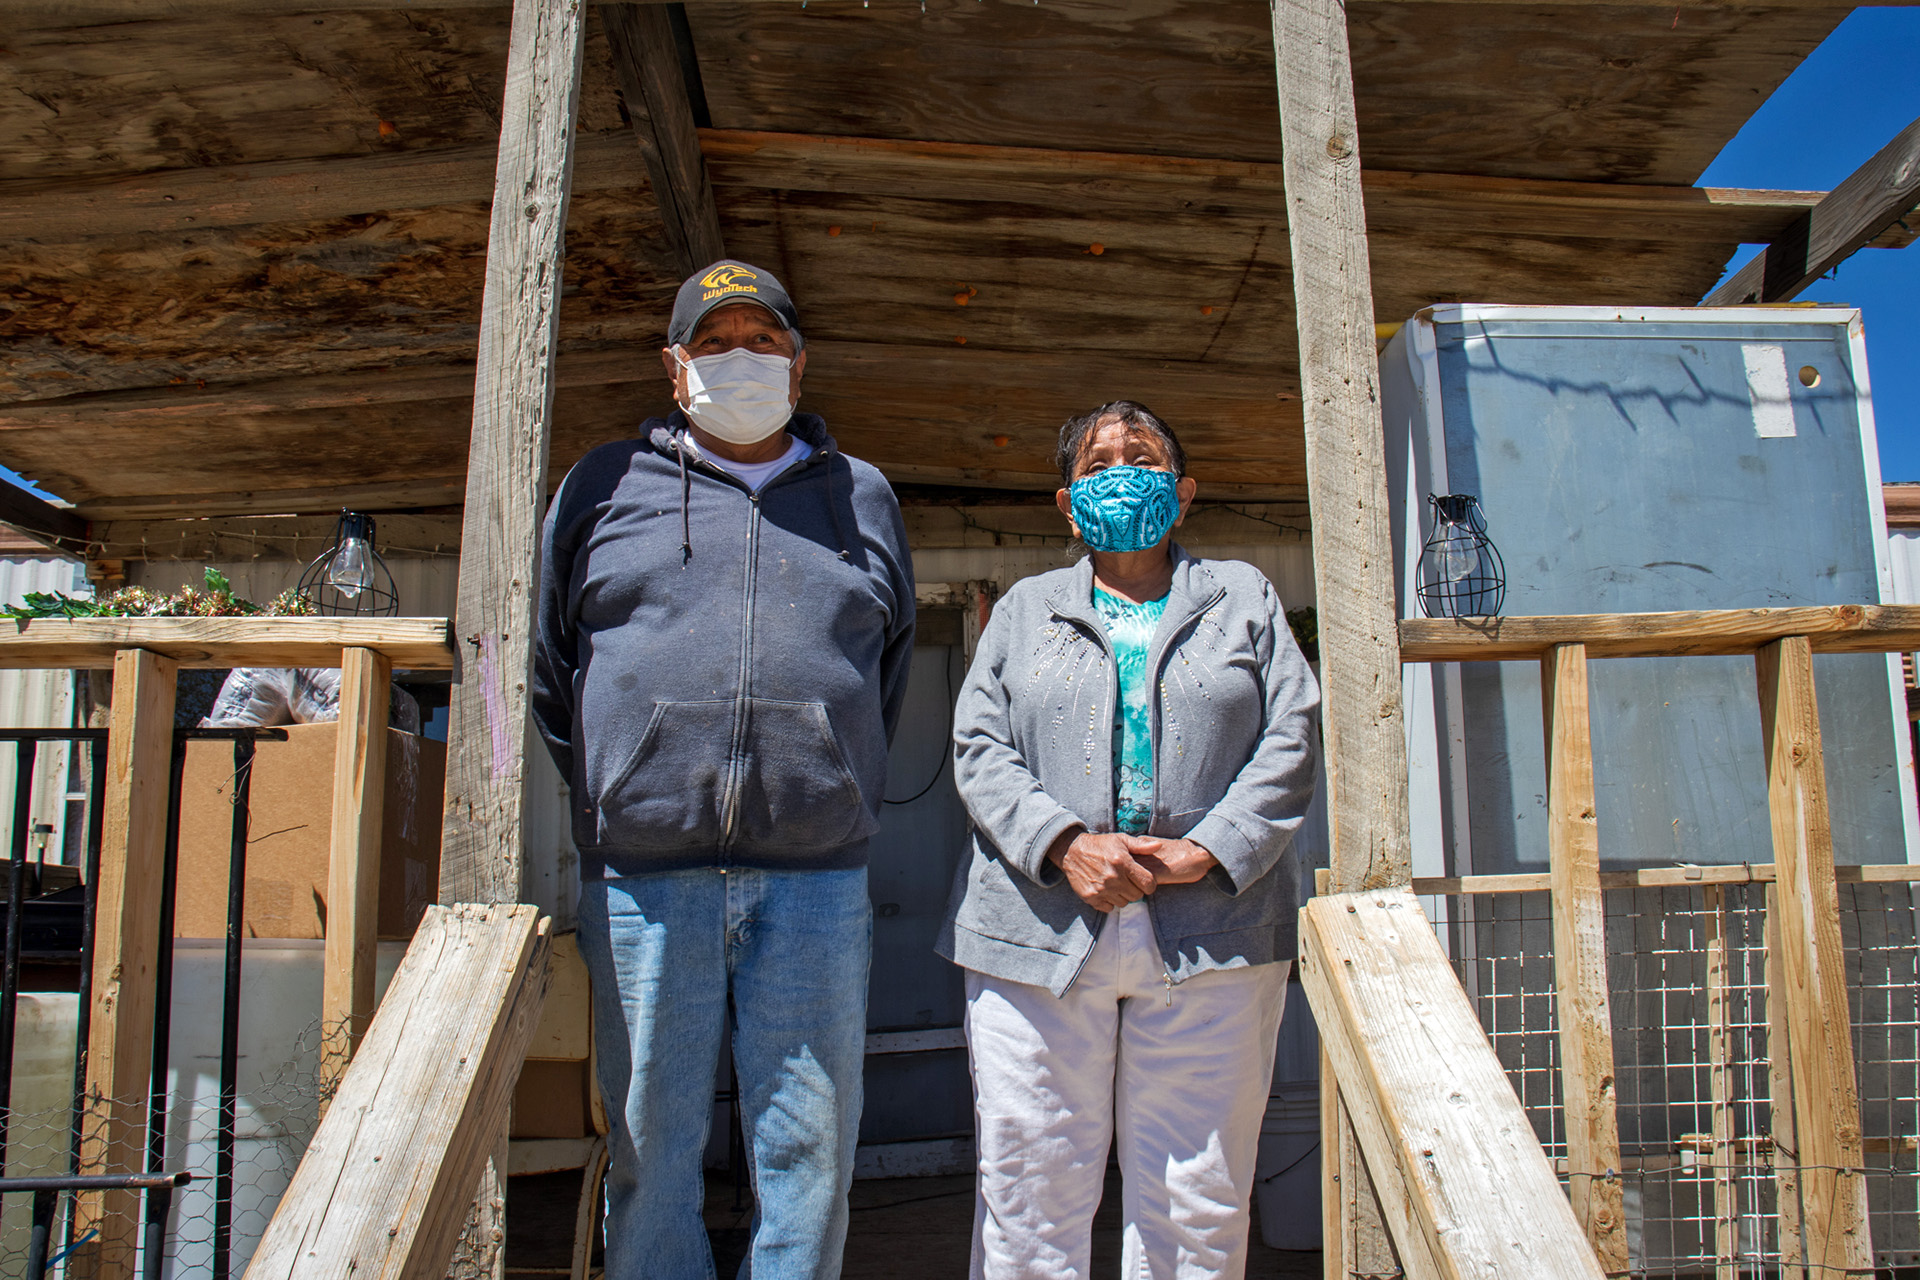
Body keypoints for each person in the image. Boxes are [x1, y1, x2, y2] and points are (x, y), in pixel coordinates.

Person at [532, 260, 916, 1280]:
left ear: (799, 362)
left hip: (817, 876)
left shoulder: (862, 495)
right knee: (652, 1153)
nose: (737, 358)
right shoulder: (603, 485)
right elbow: (549, 672)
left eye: (761, 339)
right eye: (713, 342)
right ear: (673, 365)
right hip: (644, 876)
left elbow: (885, 672)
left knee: (812, 1154)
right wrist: (630, 786)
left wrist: (824, 779)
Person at [937, 400, 1319, 1280]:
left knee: (1200, 1195)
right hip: (1038, 932)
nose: (1121, 472)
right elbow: (979, 748)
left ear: (1181, 492)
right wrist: (1065, 842)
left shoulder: (1244, 596)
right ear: (1069, 505)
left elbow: (1292, 733)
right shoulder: (1024, 610)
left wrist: (1214, 849)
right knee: (1031, 1190)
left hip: (1213, 928)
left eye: (1141, 457)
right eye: (1098, 462)